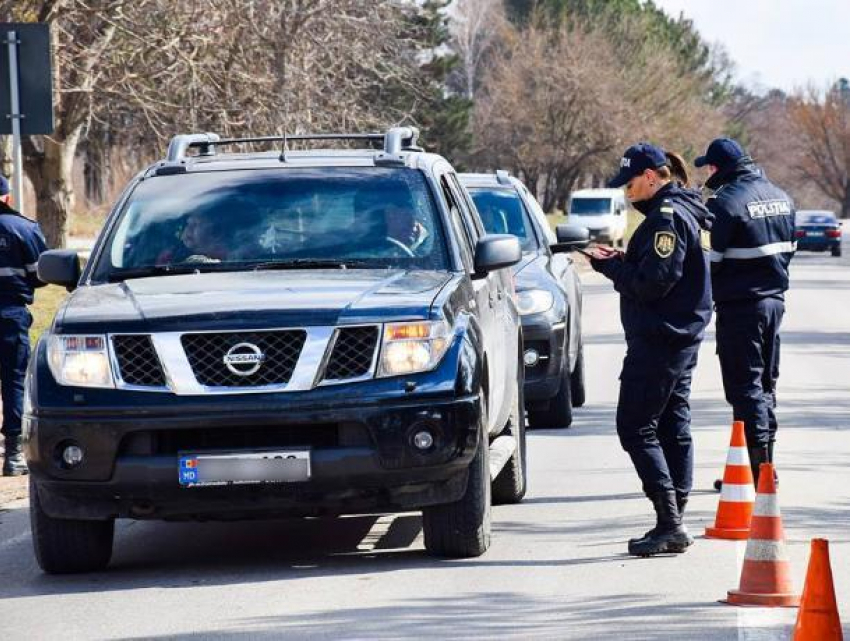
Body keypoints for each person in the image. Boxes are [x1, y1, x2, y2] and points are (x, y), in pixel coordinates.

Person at [588, 143, 713, 557]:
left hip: (661, 338)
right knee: (672, 425)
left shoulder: (666, 217)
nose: (626, 191)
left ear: (651, 176)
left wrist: (610, 267)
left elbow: (652, 284)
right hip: (678, 335)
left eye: (630, 182)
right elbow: (657, 271)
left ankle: (670, 522)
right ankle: (673, 518)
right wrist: (623, 258)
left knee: (635, 426)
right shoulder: (677, 211)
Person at [695, 138, 795, 486]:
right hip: (774, 303)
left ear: (719, 168)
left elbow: (712, 262)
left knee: (745, 389)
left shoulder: (726, 202)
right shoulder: (781, 196)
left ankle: (757, 473)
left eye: (708, 167)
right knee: (765, 386)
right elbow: (789, 250)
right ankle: (761, 467)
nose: (706, 173)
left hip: (741, 307)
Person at [0, 174, 48, 476]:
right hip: (9, 314)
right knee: (13, 379)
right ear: (6, 198)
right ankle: (14, 454)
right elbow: (41, 274)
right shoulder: (23, 228)